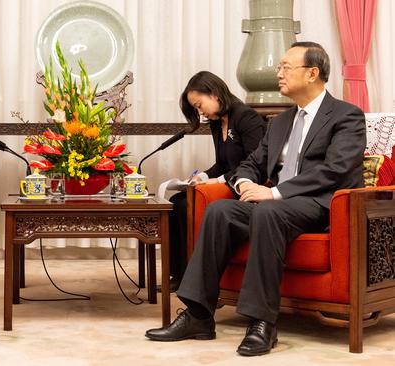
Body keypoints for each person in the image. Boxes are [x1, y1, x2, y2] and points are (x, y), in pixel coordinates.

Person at [146, 42, 366, 357]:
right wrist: (247, 181)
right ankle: (198, 315)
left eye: (285, 67)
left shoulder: (347, 116)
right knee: (220, 211)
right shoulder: (280, 123)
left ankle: (262, 321)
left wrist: (273, 192)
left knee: (268, 212)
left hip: (322, 205)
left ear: (312, 73)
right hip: (279, 207)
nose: (278, 73)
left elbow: (335, 170)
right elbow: (251, 162)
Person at [164, 71, 265, 292]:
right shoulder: (216, 122)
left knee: (183, 205)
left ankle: (187, 274)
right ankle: (179, 271)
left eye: (200, 105)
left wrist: (217, 181)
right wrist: (201, 177)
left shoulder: (246, 117)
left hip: (246, 185)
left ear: (215, 94)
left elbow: (255, 164)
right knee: (177, 203)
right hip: (227, 180)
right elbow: (222, 163)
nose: (200, 112)